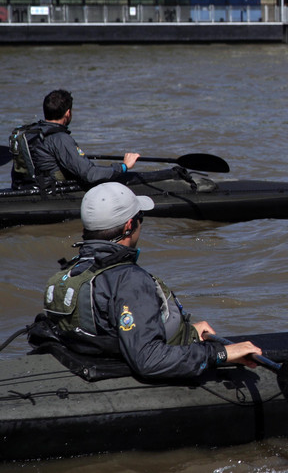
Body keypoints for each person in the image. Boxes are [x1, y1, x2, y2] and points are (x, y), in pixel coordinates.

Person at [41, 182, 261, 379]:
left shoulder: (72, 271)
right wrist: (220, 353)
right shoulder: (129, 280)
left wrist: (188, 333)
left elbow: (107, 332)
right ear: (129, 226)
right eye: (140, 219)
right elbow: (148, 359)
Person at [10, 89, 140, 190]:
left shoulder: (29, 133)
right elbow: (90, 174)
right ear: (68, 113)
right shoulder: (60, 138)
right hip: (51, 194)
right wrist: (123, 166)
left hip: (25, 188)